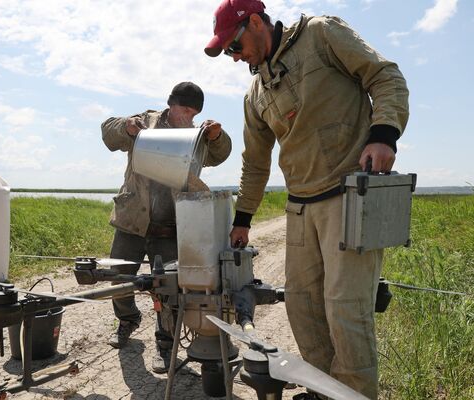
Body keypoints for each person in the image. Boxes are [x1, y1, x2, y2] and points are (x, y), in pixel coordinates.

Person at [205, 1, 408, 399]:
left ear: (257, 22)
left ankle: (354, 395)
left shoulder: (320, 34)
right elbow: (255, 163)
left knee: (345, 310)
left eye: (234, 45)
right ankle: (322, 389)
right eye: (228, 51)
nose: (234, 57)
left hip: (348, 197)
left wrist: (384, 134)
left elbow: (385, 75)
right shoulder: (255, 92)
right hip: (300, 207)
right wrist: (243, 218)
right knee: (303, 307)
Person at [101, 82, 232, 373]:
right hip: (132, 220)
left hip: (169, 226)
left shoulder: (194, 136)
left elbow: (219, 154)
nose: (189, 117)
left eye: (194, 113)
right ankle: (127, 320)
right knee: (119, 279)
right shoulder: (144, 123)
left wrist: (218, 136)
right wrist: (126, 127)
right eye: (185, 109)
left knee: (168, 288)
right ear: (171, 105)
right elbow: (108, 132)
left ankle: (164, 344)